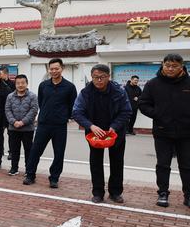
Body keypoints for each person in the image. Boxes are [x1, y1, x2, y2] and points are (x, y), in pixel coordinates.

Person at [73, 64, 132, 203]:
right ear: (91, 77)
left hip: (115, 131)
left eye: (102, 77)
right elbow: (77, 112)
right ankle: (98, 192)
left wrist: (115, 126)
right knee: (96, 162)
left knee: (117, 162)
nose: (99, 80)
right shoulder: (85, 92)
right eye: (95, 77)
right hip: (95, 132)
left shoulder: (119, 91)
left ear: (108, 77)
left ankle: (115, 192)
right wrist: (90, 126)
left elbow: (126, 111)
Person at [139, 54, 190, 209]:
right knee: (163, 165)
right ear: (162, 65)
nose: (170, 69)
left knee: (187, 166)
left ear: (181, 67)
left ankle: (188, 195)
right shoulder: (153, 84)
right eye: (167, 65)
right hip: (162, 131)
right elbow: (143, 104)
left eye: (174, 66)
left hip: (186, 132)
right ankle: (162, 193)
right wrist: (158, 114)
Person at [23, 58, 78, 188]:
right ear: (49, 69)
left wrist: (66, 117)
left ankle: (54, 178)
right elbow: (41, 102)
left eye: (56, 68)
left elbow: (73, 105)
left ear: (62, 68)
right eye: (51, 69)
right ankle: (30, 175)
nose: (54, 71)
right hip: (44, 124)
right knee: (35, 151)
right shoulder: (43, 85)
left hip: (60, 125)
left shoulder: (69, 87)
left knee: (59, 153)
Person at [5, 74, 38, 176]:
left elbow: (34, 110)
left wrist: (23, 122)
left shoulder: (32, 96)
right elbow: (7, 110)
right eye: (18, 83)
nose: (20, 85)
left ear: (27, 84)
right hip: (13, 128)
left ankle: (28, 170)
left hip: (27, 129)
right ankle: (14, 168)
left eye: (23, 83)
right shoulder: (10, 96)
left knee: (28, 150)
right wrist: (14, 121)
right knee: (14, 150)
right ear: (15, 84)